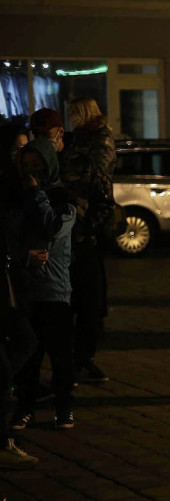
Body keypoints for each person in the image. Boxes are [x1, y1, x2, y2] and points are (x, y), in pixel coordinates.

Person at [7, 138, 78, 429]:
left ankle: (64, 407)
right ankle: (25, 407)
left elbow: (52, 226)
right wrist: (24, 257)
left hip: (55, 291)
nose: (31, 172)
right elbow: (11, 239)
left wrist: (36, 193)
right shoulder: (15, 200)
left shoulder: (63, 200)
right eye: (26, 166)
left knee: (61, 355)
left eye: (37, 165)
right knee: (29, 356)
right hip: (25, 289)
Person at [62, 97, 116, 384]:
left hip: (86, 222)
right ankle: (76, 357)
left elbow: (97, 179)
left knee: (90, 298)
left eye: (74, 112)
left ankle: (83, 357)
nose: (71, 117)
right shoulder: (78, 138)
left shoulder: (99, 140)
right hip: (75, 220)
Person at [0, 126, 39, 467]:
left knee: (24, 342)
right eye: (16, 149)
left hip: (11, 280)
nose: (21, 156)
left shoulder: (18, 184)